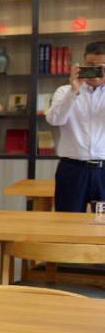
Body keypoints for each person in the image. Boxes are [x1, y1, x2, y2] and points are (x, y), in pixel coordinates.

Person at [45, 43, 105, 212]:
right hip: (72, 169)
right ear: (82, 64)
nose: (96, 71)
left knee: (103, 223)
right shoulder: (65, 91)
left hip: (103, 170)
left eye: (102, 67)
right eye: (91, 65)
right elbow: (54, 120)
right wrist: (74, 91)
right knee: (67, 220)